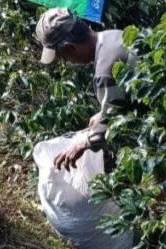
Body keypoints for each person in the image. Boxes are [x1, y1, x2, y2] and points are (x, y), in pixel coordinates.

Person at [34, 7, 136, 171]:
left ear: (71, 48)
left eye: (64, 58)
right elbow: (123, 100)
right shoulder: (114, 35)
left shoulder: (105, 71)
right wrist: (103, 113)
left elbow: (116, 123)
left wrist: (84, 142)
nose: (68, 62)